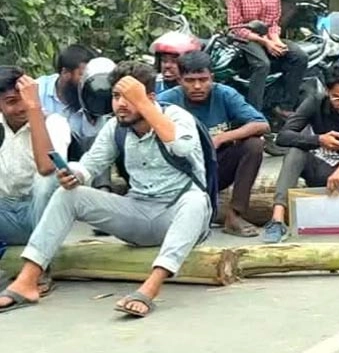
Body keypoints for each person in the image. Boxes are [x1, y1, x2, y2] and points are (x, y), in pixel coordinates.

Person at [0, 62, 212, 318]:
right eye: (115, 96)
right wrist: (73, 175)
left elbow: (181, 148)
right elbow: (90, 165)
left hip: (179, 214)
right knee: (70, 194)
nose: (121, 104)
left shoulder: (178, 117)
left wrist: (143, 104)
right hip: (138, 214)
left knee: (196, 201)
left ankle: (149, 289)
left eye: (129, 97)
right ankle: (27, 281)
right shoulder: (115, 128)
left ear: (150, 98)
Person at [262, 66, 339, 244]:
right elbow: (283, 136)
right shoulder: (315, 102)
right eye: (337, 99)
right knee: (295, 151)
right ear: (327, 92)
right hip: (320, 167)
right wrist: (319, 140)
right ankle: (277, 220)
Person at [158, 51, 268, 237]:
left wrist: (220, 138)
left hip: (215, 170)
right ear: (179, 80)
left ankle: (234, 216)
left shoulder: (225, 94)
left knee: (254, 145)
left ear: (212, 78)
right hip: (181, 173)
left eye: (203, 79)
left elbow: (262, 124)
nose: (198, 86)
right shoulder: (166, 101)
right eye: (190, 81)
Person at [225, 0, 307, 114]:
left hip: (268, 36)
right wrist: (265, 42)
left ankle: (285, 107)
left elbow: (273, 22)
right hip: (245, 37)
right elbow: (235, 27)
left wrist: (275, 40)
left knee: (299, 56)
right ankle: (253, 114)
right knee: (262, 64)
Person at [0, 68, 68, 248]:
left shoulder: (55, 123)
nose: (22, 106)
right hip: (5, 213)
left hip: (42, 215)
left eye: (25, 98)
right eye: (12, 101)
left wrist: (34, 108)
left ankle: (41, 259)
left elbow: (46, 167)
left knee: (46, 179)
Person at [36, 44, 100, 158]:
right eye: (82, 75)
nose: (87, 81)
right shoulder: (37, 90)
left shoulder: (93, 96)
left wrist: (92, 114)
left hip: (83, 165)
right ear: (65, 73)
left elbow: (96, 149)